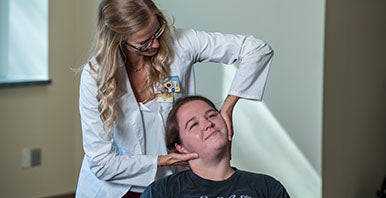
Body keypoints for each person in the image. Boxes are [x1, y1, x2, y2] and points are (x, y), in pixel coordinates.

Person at [76, 0, 273, 197]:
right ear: (117, 40)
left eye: (157, 32)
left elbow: (256, 50)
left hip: (170, 185)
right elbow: (102, 163)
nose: (155, 44)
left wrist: (227, 109)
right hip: (115, 189)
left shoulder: (182, 42)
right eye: (144, 42)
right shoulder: (95, 76)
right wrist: (162, 161)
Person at [141, 95, 290, 198]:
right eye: (193, 124)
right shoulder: (162, 191)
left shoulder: (267, 187)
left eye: (212, 115)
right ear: (181, 148)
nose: (207, 124)